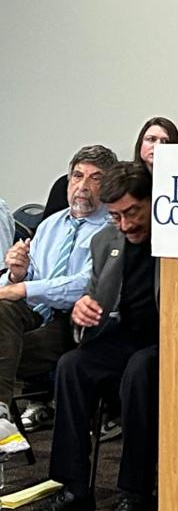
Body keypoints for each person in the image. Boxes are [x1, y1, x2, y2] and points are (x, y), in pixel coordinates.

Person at [17, 162, 160, 511]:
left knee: (139, 370)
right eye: (116, 216)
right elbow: (95, 302)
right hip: (125, 334)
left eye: (133, 212)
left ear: (152, 202)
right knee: (72, 366)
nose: (126, 225)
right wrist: (83, 312)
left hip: (171, 339)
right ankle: (76, 491)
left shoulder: (177, 239)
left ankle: (137, 495)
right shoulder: (106, 241)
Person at [0, 145, 119, 452]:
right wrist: (17, 273)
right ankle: (0, 415)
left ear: (107, 186)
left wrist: (24, 288)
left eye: (95, 178)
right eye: (77, 176)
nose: (83, 185)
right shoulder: (51, 225)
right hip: (34, 313)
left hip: (75, 323)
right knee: (3, 310)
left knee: (5, 350)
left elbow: (87, 284)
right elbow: (31, 278)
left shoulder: (112, 229)